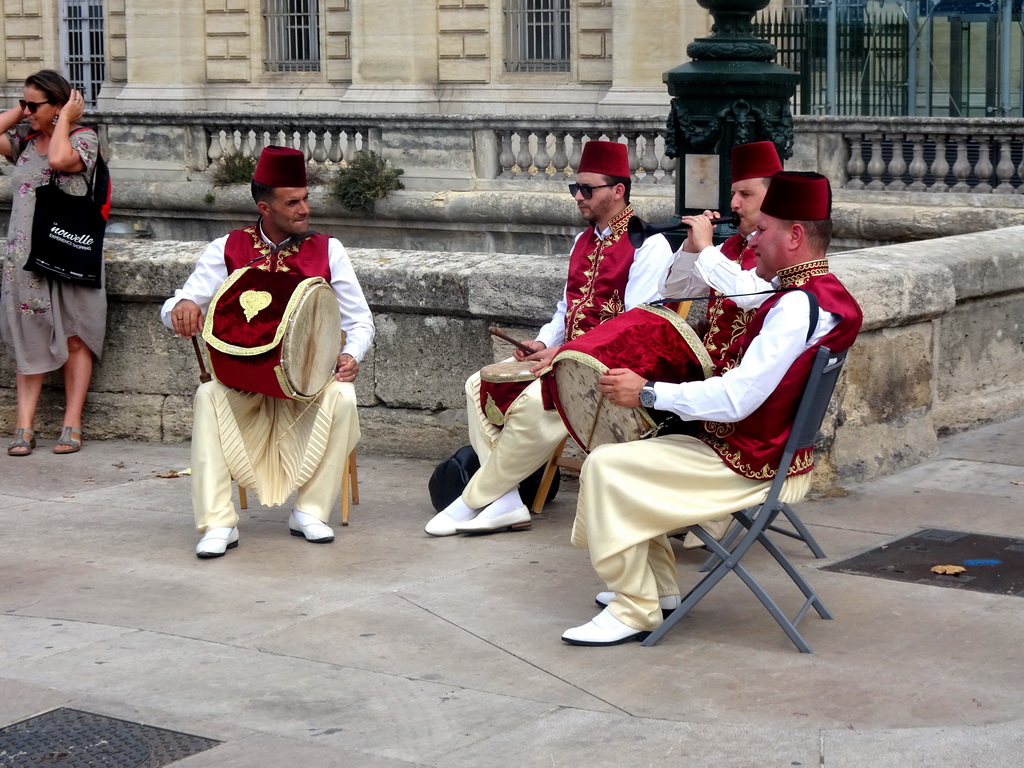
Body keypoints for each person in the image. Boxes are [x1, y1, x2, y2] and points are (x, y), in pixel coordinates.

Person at [561, 172, 863, 646]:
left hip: (752, 460)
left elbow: (737, 398)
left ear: (795, 236)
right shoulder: (822, 295)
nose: (752, 239)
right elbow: (731, 303)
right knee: (642, 447)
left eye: (762, 230)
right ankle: (656, 589)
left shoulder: (796, 306)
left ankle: (634, 606)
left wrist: (648, 392)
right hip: (772, 449)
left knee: (607, 464)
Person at [424, 140, 674, 536]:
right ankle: (506, 501)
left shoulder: (650, 244)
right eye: (575, 188)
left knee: (525, 405)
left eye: (587, 189)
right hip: (561, 355)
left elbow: (633, 325)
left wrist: (564, 352)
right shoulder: (582, 242)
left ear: (618, 191)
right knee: (478, 384)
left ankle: (472, 499)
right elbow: (565, 310)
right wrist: (543, 343)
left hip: (604, 368)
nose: (578, 196)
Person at [161, 146, 374, 558]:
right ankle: (218, 523)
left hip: (307, 387)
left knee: (343, 397)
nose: (304, 209)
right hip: (245, 384)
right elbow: (175, 305)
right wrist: (180, 310)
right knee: (207, 395)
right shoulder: (227, 248)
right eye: (292, 202)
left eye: (306, 198)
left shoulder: (328, 250)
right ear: (265, 207)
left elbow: (360, 321)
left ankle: (310, 511)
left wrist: (353, 355)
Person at [0, 70, 101, 456]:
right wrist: (22, 110)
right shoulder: (23, 142)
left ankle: (71, 424)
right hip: (26, 260)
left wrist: (66, 122)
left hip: (68, 253)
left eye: (34, 105)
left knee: (76, 338)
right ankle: (23, 426)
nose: (27, 112)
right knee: (28, 336)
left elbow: (59, 159)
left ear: (60, 105)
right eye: (23, 103)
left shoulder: (84, 139)